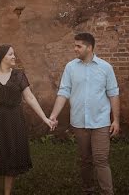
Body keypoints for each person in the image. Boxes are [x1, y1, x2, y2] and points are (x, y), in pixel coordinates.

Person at [0, 44, 54, 195]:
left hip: (14, 123)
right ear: (1, 57)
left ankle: (7, 193)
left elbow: (29, 97)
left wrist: (45, 118)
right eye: (11, 54)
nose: (14, 57)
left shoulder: (19, 76)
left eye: (14, 54)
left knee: (11, 157)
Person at [49, 32, 120, 195]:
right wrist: (54, 114)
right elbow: (64, 92)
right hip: (79, 122)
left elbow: (113, 94)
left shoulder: (105, 68)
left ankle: (107, 192)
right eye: (75, 45)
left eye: (78, 46)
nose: (75, 49)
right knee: (85, 160)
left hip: (101, 122)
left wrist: (116, 120)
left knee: (101, 160)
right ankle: (88, 190)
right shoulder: (70, 67)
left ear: (89, 47)